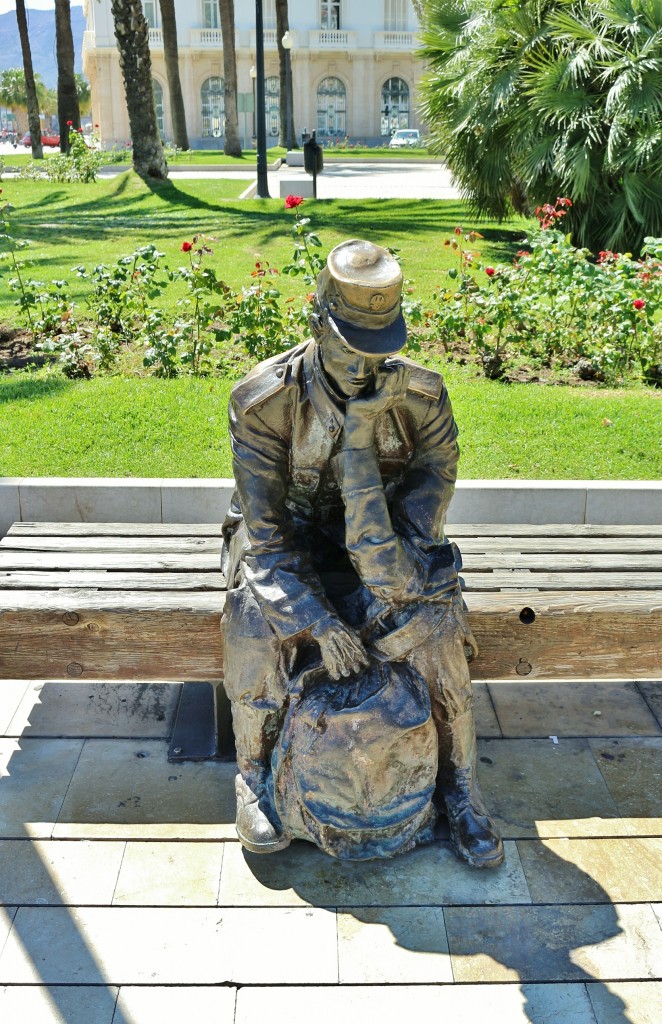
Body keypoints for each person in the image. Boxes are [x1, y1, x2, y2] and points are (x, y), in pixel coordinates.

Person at [221, 238, 503, 867]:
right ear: (317, 322)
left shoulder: (424, 402)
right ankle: (251, 773)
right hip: (286, 551)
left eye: (379, 345)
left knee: (434, 627)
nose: (365, 364)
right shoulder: (263, 402)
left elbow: (398, 554)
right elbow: (266, 539)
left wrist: (360, 438)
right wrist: (317, 622)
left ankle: (460, 787)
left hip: (386, 554)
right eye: (349, 344)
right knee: (251, 618)